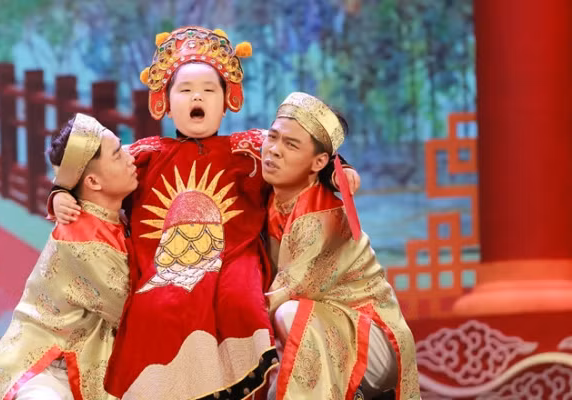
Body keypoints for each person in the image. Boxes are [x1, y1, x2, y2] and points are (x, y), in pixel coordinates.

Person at [51, 27, 361, 399]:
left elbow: (304, 147)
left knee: (242, 302)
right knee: (154, 309)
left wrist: (338, 170)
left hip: (234, 258)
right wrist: (59, 193)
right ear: (166, 102)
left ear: (226, 100)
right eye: (185, 90)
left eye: (209, 90)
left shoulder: (249, 148)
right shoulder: (146, 154)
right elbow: (90, 171)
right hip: (165, 265)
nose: (197, 96)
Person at [262, 93, 420, 400]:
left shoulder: (321, 217)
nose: (274, 150)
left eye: (291, 145)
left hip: (371, 337)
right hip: (327, 322)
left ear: (319, 162)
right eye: (272, 137)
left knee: (288, 313)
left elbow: (285, 292)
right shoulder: (272, 190)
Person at [0, 113, 138, 399]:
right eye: (118, 154)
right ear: (93, 181)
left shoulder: (106, 214)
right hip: (46, 367)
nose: (130, 157)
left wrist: (60, 189)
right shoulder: (82, 238)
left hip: (89, 360)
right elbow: (134, 312)